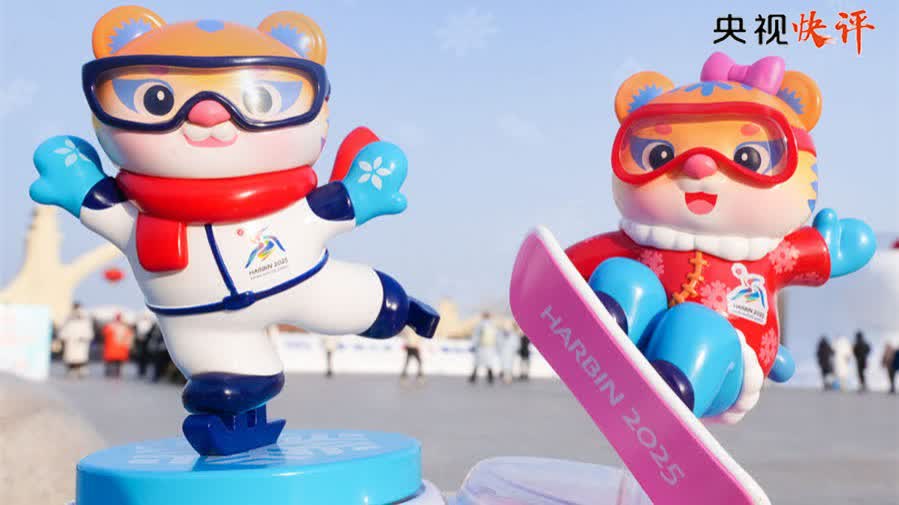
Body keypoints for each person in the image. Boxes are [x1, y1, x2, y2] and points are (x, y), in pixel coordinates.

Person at [58, 303, 94, 379]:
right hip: (72, 341)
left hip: (79, 342)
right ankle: (73, 370)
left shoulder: (84, 318)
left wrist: (85, 337)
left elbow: (88, 331)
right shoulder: (69, 318)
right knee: (73, 357)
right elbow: (63, 330)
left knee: (78, 357)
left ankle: (79, 369)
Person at [470, 312, 498, 384]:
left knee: (477, 363)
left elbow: (476, 336)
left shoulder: (480, 325)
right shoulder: (492, 325)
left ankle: (473, 377)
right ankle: (490, 377)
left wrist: (474, 345)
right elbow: (496, 337)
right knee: (489, 363)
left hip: (481, 347)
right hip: (490, 347)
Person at [102, 313, 133, 378]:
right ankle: (114, 372)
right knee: (114, 362)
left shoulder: (111, 326)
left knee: (115, 362)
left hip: (116, 348)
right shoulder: (124, 327)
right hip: (116, 348)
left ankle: (113, 372)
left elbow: (128, 337)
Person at [498, 320, 519, 384]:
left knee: (509, 366)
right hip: (505, 353)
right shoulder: (501, 334)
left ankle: (508, 378)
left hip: (510, 353)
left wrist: (514, 350)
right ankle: (506, 378)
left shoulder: (513, 335)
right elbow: (499, 343)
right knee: (505, 366)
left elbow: (516, 344)